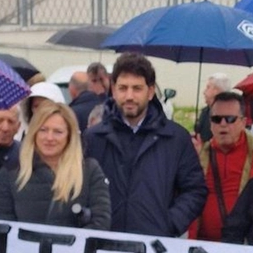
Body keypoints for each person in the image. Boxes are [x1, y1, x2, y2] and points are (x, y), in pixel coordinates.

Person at [83, 53, 207, 236]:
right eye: (123, 88)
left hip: (154, 250)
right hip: (103, 245)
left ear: (150, 92)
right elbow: (78, 187)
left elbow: (195, 190)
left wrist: (169, 224)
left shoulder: (175, 138)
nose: (129, 96)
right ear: (114, 90)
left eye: (137, 88)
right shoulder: (94, 137)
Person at [0, 102, 111, 229]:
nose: (49, 138)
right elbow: (2, 225)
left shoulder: (90, 171)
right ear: (34, 133)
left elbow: (101, 221)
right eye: (43, 130)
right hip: (23, 248)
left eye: (58, 132)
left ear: (70, 136)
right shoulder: (10, 173)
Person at [190, 92, 253, 241]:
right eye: (217, 119)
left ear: (243, 122)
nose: (223, 124)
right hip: (200, 247)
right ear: (210, 124)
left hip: (245, 247)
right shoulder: (196, 155)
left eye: (230, 119)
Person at [192, 73, 232, 143]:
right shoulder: (205, 111)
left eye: (208, 87)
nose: (204, 92)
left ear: (217, 91)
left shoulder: (227, 114)